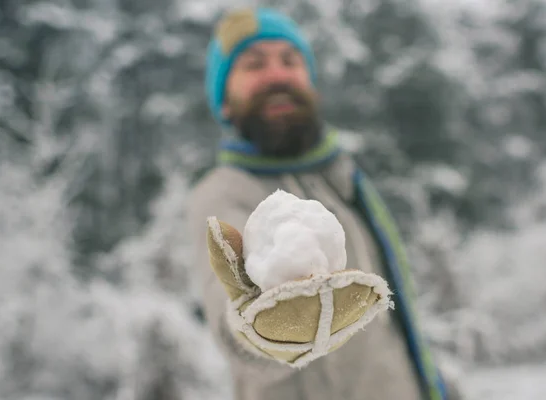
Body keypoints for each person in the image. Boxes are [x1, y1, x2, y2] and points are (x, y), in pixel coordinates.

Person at [187, 7, 462, 400]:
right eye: (253, 64)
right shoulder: (223, 192)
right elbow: (230, 320)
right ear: (225, 102)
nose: (277, 75)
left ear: (311, 83)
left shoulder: (344, 183)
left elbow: (393, 323)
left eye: (290, 60)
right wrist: (262, 332)